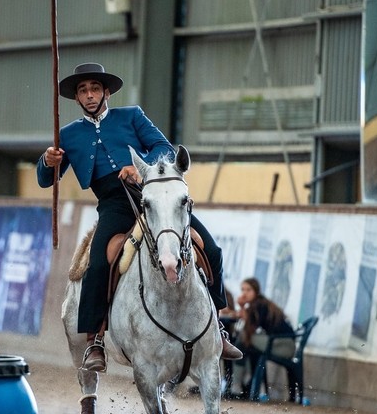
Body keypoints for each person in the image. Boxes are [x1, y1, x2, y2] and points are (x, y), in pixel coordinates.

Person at [37, 63, 241, 372]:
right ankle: (95, 340)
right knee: (98, 263)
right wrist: (46, 160)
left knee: (211, 249)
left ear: (106, 92)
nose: (90, 95)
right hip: (113, 205)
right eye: (83, 91)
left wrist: (140, 166)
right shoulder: (68, 135)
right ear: (77, 98)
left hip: (151, 197)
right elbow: (45, 179)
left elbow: (164, 148)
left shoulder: (131, 115)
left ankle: (219, 330)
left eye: (94, 89)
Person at [225, 277, 295, 398]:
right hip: (278, 342)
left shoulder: (259, 305)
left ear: (256, 291)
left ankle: (237, 386)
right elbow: (249, 327)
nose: (245, 293)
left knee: (242, 340)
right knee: (243, 342)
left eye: (248, 290)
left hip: (283, 345)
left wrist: (241, 306)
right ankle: (244, 381)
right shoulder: (257, 304)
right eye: (243, 290)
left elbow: (248, 327)